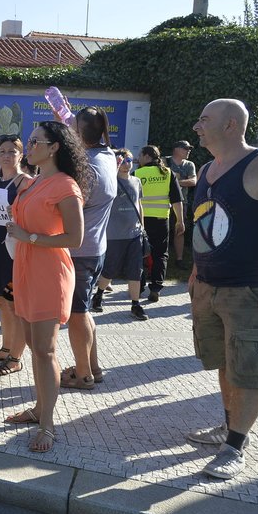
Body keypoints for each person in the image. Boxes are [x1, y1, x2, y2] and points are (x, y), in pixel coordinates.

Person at [186, 99, 258, 480]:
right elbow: (205, 224)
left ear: (231, 125)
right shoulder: (206, 169)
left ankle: (235, 446)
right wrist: (197, 270)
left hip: (250, 290)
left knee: (249, 370)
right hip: (208, 286)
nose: (198, 126)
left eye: (205, 119)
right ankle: (229, 425)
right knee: (225, 363)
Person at [2, 122, 87, 452]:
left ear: (54, 148)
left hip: (49, 271)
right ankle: (39, 408)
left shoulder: (65, 185)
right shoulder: (34, 182)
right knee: (34, 347)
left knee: (45, 349)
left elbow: (75, 238)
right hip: (25, 266)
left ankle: (48, 425)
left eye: (36, 141)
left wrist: (31, 237)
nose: (30, 145)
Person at [59, 107, 117, 390]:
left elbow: (70, 207)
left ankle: (82, 374)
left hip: (79, 251)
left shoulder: (86, 168)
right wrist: (69, 119)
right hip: (96, 248)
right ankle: (93, 366)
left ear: (79, 133)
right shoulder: (108, 155)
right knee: (84, 310)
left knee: (77, 314)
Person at [0, 134, 31, 375]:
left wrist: (16, 211)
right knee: (1, 300)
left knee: (15, 304)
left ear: (21, 155)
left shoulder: (25, 182)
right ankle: (6, 347)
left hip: (14, 250)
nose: (7, 155)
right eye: (3, 151)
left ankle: (15, 357)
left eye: (12, 151)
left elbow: (32, 215)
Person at [92, 148, 148, 320]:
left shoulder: (137, 181)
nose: (126, 163)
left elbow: (139, 205)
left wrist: (142, 227)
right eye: (122, 160)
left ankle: (135, 305)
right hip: (114, 234)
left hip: (135, 234)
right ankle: (99, 295)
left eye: (129, 160)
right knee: (110, 269)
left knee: (135, 270)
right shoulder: (111, 181)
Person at [134, 146, 184, 303]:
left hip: (140, 221)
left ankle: (139, 286)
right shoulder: (168, 173)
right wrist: (181, 220)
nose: (138, 158)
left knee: (139, 254)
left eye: (140, 155)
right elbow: (176, 199)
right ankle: (156, 288)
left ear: (147, 156)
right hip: (161, 220)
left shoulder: (137, 174)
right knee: (160, 254)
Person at [168, 140, 197, 267]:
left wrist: (175, 182)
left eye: (189, 148)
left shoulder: (189, 164)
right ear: (176, 149)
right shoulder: (164, 161)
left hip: (182, 202)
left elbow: (194, 181)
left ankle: (179, 259)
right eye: (186, 148)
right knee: (160, 230)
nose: (188, 151)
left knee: (179, 230)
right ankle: (154, 258)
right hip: (163, 202)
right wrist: (181, 181)